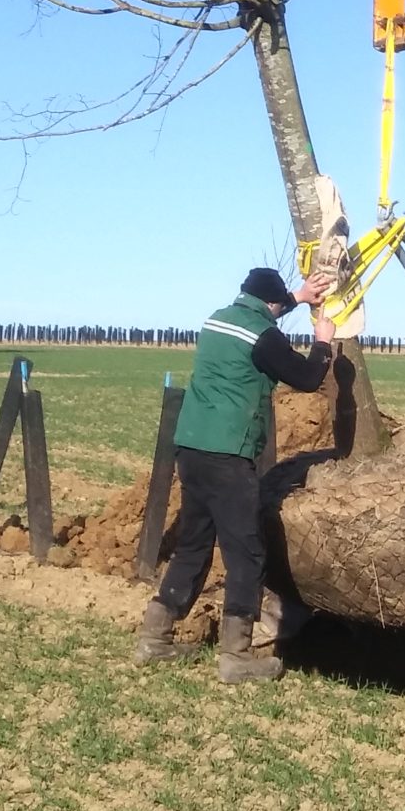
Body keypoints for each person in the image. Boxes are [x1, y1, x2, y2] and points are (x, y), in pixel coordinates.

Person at [134, 266, 337, 683]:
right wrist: (322, 343)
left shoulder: (219, 319)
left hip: (191, 447)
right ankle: (236, 657)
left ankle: (155, 636)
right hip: (228, 454)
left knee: (193, 544)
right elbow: (307, 377)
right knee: (246, 553)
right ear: (274, 304)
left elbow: (259, 324)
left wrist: (299, 296)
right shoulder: (264, 337)